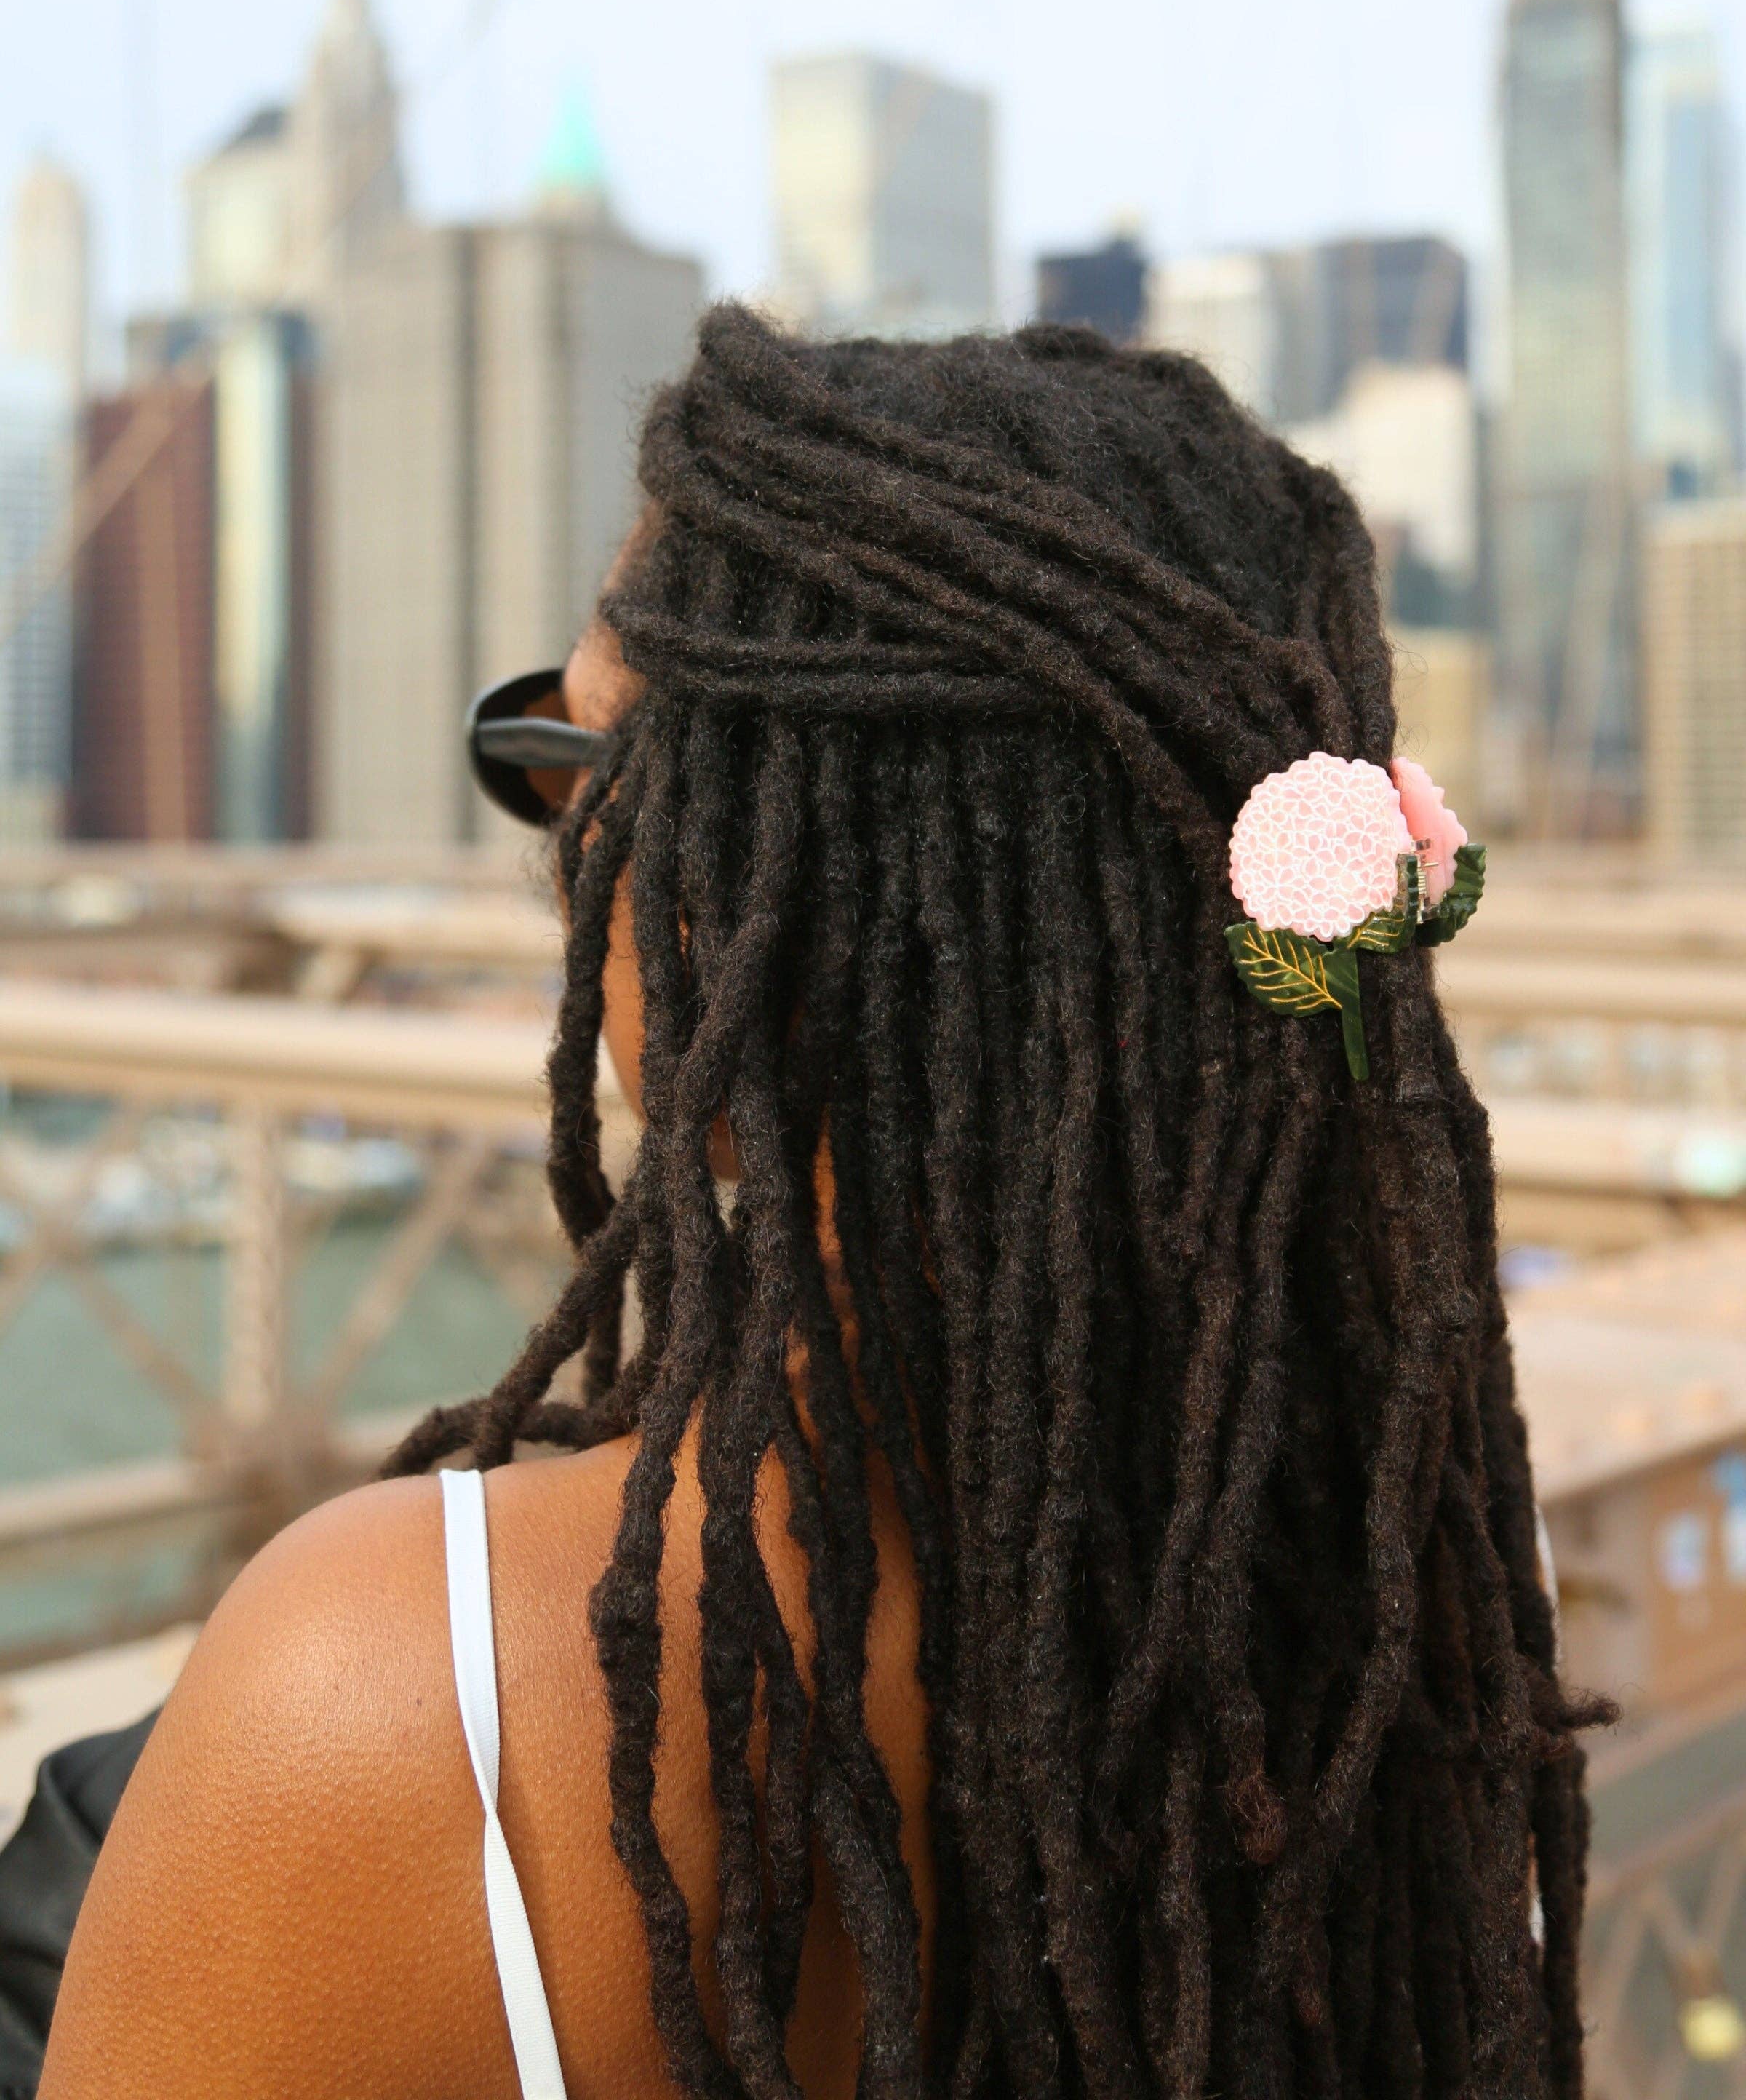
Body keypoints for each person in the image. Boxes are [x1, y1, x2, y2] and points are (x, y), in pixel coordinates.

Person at [39, 308, 1596, 2099]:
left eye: (575, 777)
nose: (565, 867)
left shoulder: (393, 1705)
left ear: (740, 900)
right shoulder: (1390, 1597)